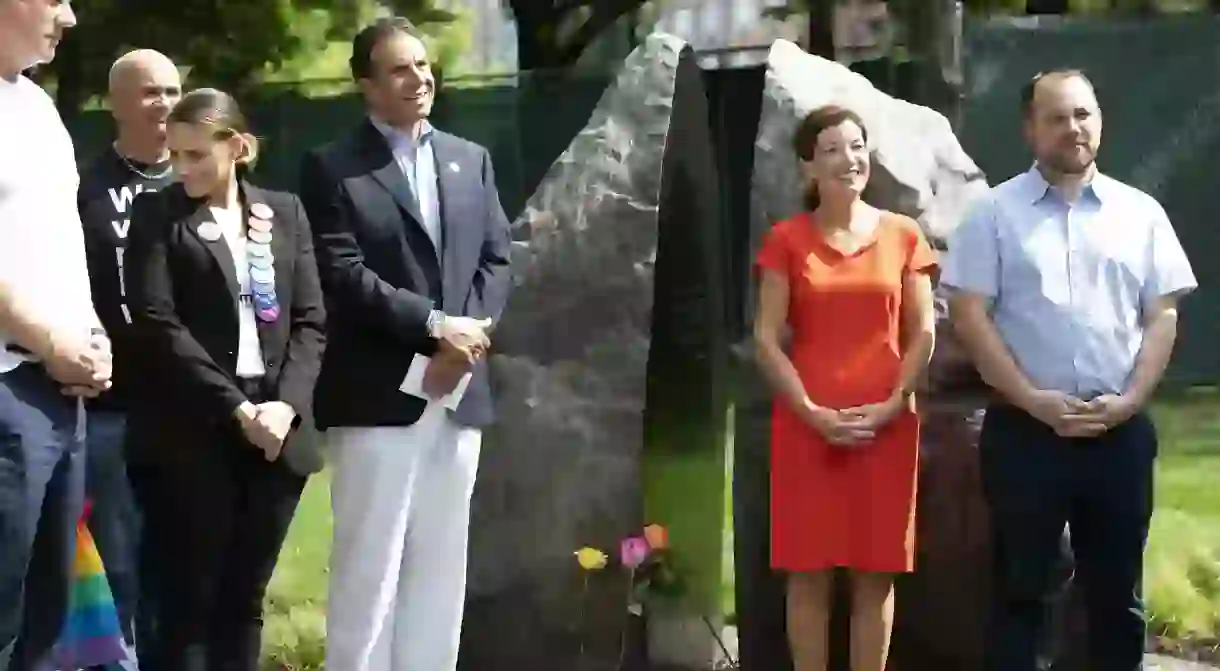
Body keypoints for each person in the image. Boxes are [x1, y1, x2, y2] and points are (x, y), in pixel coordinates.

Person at [942, 69, 1197, 671]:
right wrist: (1032, 400)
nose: (1073, 129)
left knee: (1116, 599)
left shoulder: (1141, 214)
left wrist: (1132, 399)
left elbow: (1162, 317)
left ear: (1099, 122)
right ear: (1030, 130)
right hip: (1025, 433)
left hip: (1119, 433)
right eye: (1057, 118)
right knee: (1021, 593)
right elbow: (970, 316)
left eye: (1083, 115)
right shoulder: (994, 215)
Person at [298, 16, 512, 671]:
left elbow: (498, 258)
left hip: (459, 395)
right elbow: (343, 272)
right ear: (366, 85)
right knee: (370, 574)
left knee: (441, 572)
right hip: (375, 399)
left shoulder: (469, 158)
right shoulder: (333, 168)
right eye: (399, 69)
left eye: (422, 65)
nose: (419, 78)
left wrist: (466, 337)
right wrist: (433, 326)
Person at [123, 88, 326, 671]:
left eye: (195, 155)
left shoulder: (282, 212)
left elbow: (311, 321)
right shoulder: (158, 216)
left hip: (277, 432)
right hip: (198, 429)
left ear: (237, 147)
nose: (181, 168)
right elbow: (159, 323)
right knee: (191, 602)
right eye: (174, 155)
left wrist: (284, 409)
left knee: (245, 598)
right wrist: (239, 409)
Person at [753, 105, 937, 671]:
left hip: (885, 428)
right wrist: (809, 410)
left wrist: (891, 404)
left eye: (856, 146)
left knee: (873, 576)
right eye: (831, 149)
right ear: (808, 167)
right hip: (807, 430)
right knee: (807, 575)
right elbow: (764, 337)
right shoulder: (786, 240)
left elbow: (924, 330)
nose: (848, 159)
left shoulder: (903, 235)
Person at [0, 1, 116, 670]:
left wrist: (89, 336)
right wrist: (49, 340)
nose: (68, 17)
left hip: (58, 392)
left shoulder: (37, 109)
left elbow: (57, 241)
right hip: (10, 390)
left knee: (48, 619)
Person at [76, 48, 182, 670]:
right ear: (115, 103)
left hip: (194, 408)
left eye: (171, 90)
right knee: (120, 563)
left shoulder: (198, 180)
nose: (164, 104)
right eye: (148, 92)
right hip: (114, 410)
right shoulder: (84, 189)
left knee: (186, 561)